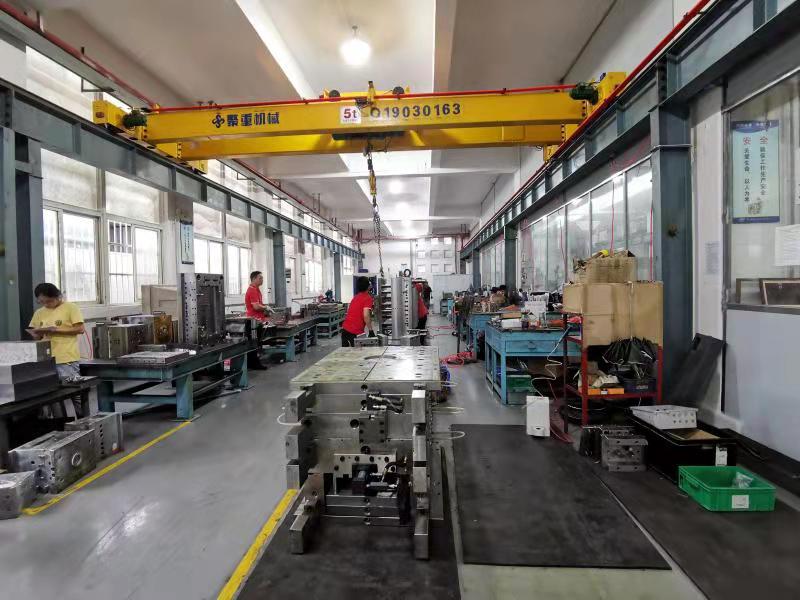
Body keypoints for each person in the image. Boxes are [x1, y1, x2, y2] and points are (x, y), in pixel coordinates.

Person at [28, 283, 85, 382]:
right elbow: (37, 338)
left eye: (49, 301)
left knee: (71, 386)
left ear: (58, 296)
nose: (46, 304)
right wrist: (36, 334)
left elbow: (80, 329)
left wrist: (55, 330)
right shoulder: (39, 313)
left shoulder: (71, 307)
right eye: (42, 302)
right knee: (51, 388)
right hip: (46, 359)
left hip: (66, 358)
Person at [341, 276, 374, 347]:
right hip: (355, 332)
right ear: (368, 286)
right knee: (359, 353)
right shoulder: (368, 298)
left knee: (345, 353)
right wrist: (371, 330)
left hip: (345, 330)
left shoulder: (355, 297)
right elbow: (366, 315)